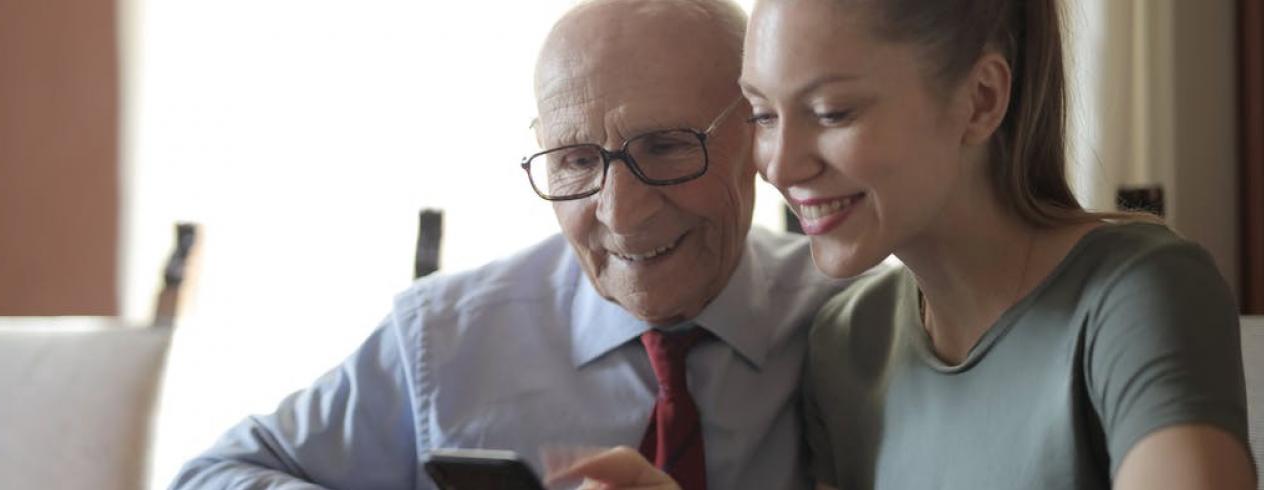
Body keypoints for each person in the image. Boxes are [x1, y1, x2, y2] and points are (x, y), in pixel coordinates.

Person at [565, 0, 1256, 489]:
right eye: (764, 115)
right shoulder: (846, 338)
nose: (779, 164)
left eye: (832, 112)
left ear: (981, 99)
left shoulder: (1135, 291)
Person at [169, 1, 847, 489]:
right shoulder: (445, 338)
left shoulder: (855, 325)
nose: (621, 213)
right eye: (576, 161)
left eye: (667, 148)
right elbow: (209, 477)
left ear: (759, 137)